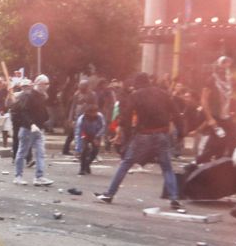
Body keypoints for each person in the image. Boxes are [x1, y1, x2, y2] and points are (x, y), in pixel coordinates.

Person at [95, 73, 182, 209]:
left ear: (137, 84)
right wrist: (181, 134)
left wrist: (127, 135)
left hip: (144, 134)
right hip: (162, 134)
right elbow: (176, 113)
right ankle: (174, 197)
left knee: (126, 163)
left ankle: (109, 194)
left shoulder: (136, 95)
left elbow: (127, 115)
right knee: (167, 167)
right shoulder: (163, 94)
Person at [197, 56, 236, 164]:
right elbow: (203, 100)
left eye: (227, 65)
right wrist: (210, 119)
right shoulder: (211, 80)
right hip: (215, 117)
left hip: (226, 117)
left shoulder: (230, 80)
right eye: (223, 65)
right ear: (218, 67)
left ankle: (224, 162)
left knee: (233, 138)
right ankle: (197, 163)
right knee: (214, 143)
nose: (225, 68)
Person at [13, 74, 53, 186]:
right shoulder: (29, 96)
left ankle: (39, 177)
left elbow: (42, 112)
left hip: (38, 130)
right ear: (39, 84)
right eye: (46, 84)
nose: (47, 86)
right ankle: (18, 176)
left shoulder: (42, 96)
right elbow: (24, 111)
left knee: (41, 153)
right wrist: (31, 124)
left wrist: (44, 121)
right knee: (22, 152)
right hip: (27, 129)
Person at [62, 80, 95, 156]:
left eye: (83, 86)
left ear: (87, 86)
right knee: (74, 134)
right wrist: (70, 118)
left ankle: (86, 149)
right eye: (80, 86)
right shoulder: (77, 94)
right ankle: (71, 149)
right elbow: (73, 106)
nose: (81, 88)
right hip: (77, 117)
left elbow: (95, 105)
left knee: (85, 134)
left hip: (88, 116)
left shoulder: (92, 94)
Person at [75, 103, 105, 175]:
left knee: (95, 150)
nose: (93, 114)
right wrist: (79, 146)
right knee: (84, 150)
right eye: (91, 112)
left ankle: (87, 164)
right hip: (85, 134)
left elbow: (103, 127)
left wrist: (97, 137)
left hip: (96, 134)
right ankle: (82, 168)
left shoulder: (100, 117)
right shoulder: (81, 119)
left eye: (95, 112)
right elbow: (80, 132)